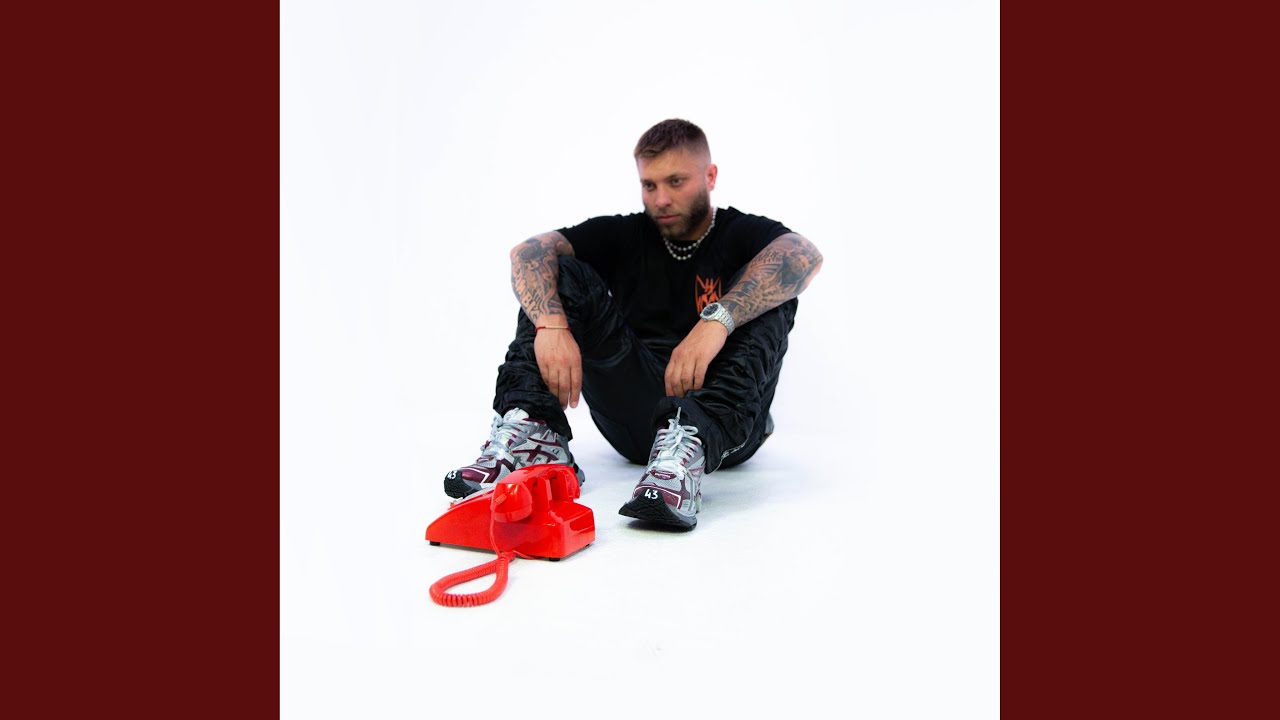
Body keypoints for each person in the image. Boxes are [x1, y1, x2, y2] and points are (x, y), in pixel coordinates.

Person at [443, 119, 823, 530]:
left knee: (772, 286)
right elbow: (528, 253)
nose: (661, 199)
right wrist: (551, 326)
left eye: (676, 182)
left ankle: (682, 462)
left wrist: (718, 320)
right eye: (649, 185)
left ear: (710, 177)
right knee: (557, 274)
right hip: (634, 420)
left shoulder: (739, 233)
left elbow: (804, 254)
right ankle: (535, 438)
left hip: (723, 429)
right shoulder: (625, 235)